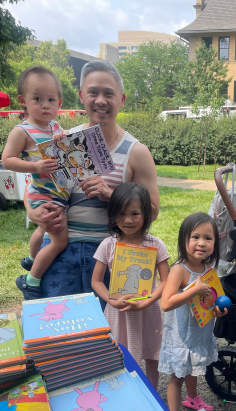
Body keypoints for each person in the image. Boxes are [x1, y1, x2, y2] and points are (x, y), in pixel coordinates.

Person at [23, 60, 160, 307]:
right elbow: (34, 188)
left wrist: (113, 195)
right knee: (62, 333)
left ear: (122, 99)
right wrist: (34, 214)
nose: (100, 100)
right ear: (81, 96)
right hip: (61, 254)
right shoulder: (63, 142)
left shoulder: (137, 152)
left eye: (109, 93)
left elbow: (153, 210)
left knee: (110, 339)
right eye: (93, 92)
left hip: (111, 255)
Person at [91, 183, 169, 390]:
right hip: (117, 312)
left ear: (146, 214)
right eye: (121, 213)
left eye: (135, 213)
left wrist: (148, 302)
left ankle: (152, 395)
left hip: (148, 311)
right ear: (113, 214)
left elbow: (167, 280)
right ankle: (124, 394)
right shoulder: (108, 244)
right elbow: (96, 281)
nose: (128, 220)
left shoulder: (155, 244)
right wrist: (111, 300)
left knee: (153, 356)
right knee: (118, 356)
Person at [2, 66, 69, 300]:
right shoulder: (22, 131)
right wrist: (35, 166)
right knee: (60, 240)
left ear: (59, 102)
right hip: (42, 193)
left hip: (58, 192)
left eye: (51, 99)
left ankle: (32, 258)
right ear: (23, 101)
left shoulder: (56, 127)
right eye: (37, 98)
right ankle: (31, 280)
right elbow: (7, 160)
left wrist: (63, 138)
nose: (45, 105)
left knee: (43, 228)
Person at [159, 212, 228, 411]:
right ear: (184, 240)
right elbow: (166, 303)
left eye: (208, 238)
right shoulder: (179, 270)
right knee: (177, 376)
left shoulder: (209, 269)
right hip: (181, 334)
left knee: (193, 368)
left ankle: (192, 398)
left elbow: (213, 299)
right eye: (195, 237)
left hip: (200, 330)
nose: (202, 243)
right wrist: (193, 290)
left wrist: (218, 310)